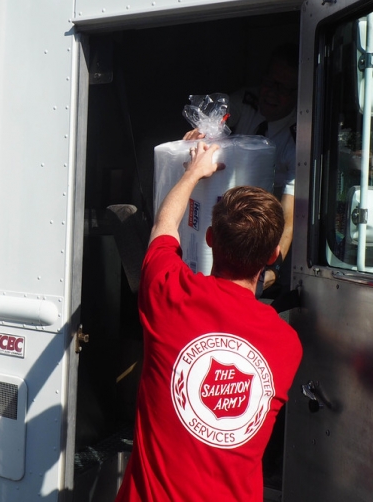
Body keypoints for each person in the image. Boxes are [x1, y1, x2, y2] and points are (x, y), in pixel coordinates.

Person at [114, 142, 302, 502]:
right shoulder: (286, 343)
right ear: (274, 254)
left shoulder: (169, 294)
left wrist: (193, 172)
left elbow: (164, 226)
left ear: (211, 239)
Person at [185, 44, 299, 296]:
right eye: (269, 81)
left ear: (296, 94)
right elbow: (225, 112)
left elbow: (288, 215)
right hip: (225, 210)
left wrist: (273, 269)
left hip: (262, 226)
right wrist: (204, 131)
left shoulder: (296, 140)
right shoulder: (247, 100)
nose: (271, 92)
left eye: (283, 88)